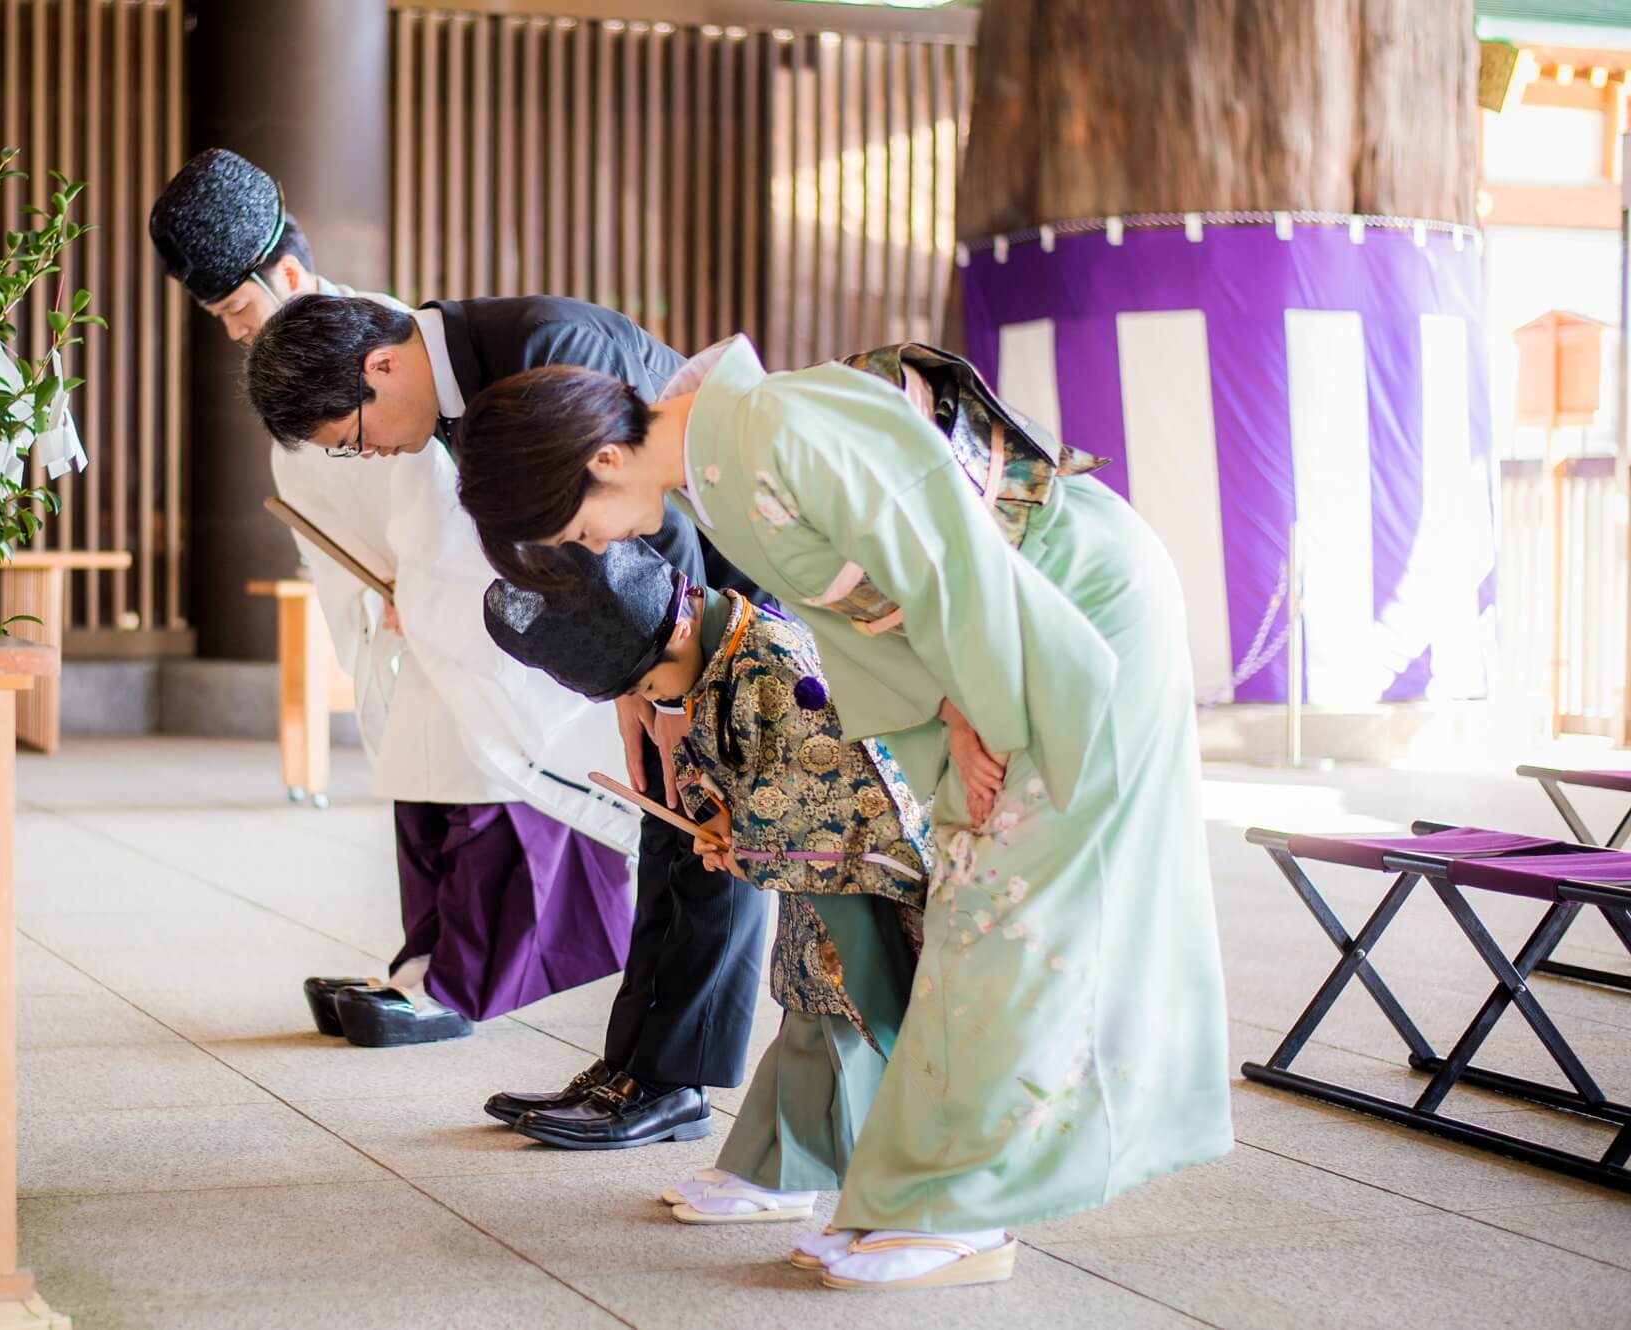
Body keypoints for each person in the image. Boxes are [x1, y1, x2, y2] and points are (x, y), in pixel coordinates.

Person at [450, 336, 1234, 1290]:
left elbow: (943, 547)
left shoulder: (767, 428)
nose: (602, 546)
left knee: (1013, 916)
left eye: (576, 529)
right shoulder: (726, 454)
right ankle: (918, 1201)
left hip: (1063, 608)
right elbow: (896, 593)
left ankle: (963, 1216)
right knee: (978, 918)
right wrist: (959, 699)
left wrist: (990, 701)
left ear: (602, 460)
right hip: (1010, 625)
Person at [243, 291, 770, 1148]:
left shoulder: (544, 347)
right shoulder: (458, 383)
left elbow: (650, 523)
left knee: (707, 825)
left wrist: (671, 687)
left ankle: (672, 1081)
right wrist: (634, 690)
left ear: (380, 368)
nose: (368, 454)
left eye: (354, 437)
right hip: (653, 622)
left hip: (714, 602)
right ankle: (635, 1065)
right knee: (665, 823)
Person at [148, 148, 638, 1048]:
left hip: (467, 592)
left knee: (476, 770)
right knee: (421, 777)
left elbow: (448, 484)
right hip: (405, 601)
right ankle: (428, 959)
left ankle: (459, 978)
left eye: (236, 309)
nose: (230, 332)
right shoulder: (301, 370)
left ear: (287, 272)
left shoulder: (377, 343)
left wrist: (432, 588)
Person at [485, 536, 936, 1224]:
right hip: (821, 883)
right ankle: (777, 1170)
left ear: (682, 630)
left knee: (843, 1017)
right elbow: (721, 765)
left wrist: (749, 844)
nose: (649, 702)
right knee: (812, 1009)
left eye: (645, 688)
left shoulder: (781, 662)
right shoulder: (723, 654)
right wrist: (720, 819)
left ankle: (851, 1182)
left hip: (860, 882)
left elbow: (837, 789)